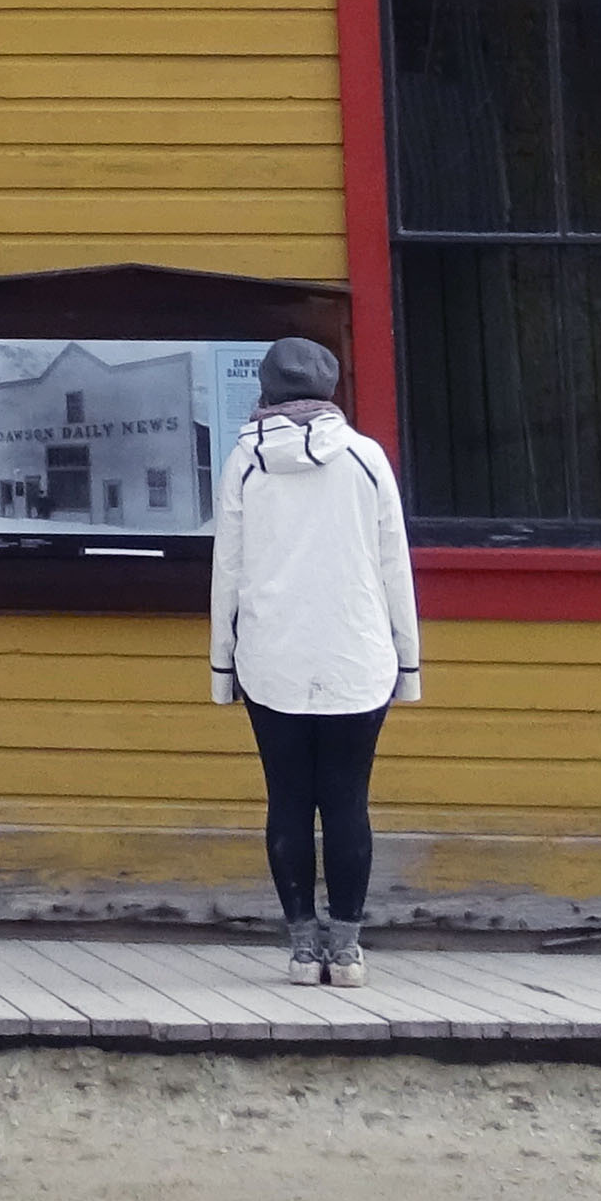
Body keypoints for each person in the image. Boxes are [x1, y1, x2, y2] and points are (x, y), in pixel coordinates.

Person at [205, 335, 418, 984]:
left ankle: (303, 949)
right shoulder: (365, 459)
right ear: (329, 393)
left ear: (265, 390)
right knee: (349, 799)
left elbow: (229, 574)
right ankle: (348, 952)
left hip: (272, 655)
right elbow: (393, 566)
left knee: (289, 799)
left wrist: (222, 667)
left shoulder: (245, 463)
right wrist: (408, 662)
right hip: (358, 653)